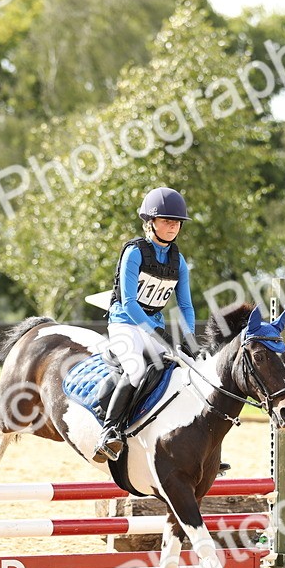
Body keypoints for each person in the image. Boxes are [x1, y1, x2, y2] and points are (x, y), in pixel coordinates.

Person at [94, 186, 197, 461]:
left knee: (187, 371)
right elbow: (128, 303)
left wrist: (190, 338)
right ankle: (109, 432)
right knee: (137, 370)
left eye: (176, 222)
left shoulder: (179, 261)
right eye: (166, 220)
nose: (173, 226)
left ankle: (196, 443)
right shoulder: (135, 253)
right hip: (124, 324)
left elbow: (185, 305)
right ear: (150, 223)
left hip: (152, 324)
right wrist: (159, 332)